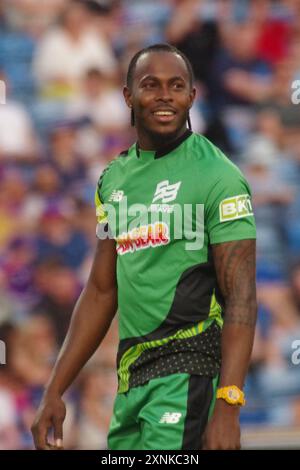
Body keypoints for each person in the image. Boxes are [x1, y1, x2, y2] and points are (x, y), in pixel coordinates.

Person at [31, 43, 257, 450]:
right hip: (132, 383)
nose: (165, 96)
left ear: (192, 96)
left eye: (176, 85)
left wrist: (229, 403)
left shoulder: (220, 177)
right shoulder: (112, 181)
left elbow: (241, 295)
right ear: (128, 96)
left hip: (190, 373)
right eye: (151, 85)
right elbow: (101, 290)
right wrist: (55, 388)